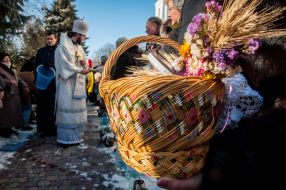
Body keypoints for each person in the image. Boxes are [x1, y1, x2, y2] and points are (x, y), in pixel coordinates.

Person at [157, 1, 286, 189]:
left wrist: (220, 169)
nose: (169, 13)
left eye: (170, 8)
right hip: (208, 142)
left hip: (255, 143)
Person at [54, 19, 89, 146]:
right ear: (78, 34)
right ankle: (65, 139)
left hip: (78, 85)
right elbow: (64, 66)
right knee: (67, 111)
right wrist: (80, 69)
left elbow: (84, 60)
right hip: (67, 86)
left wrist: (85, 65)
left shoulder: (79, 47)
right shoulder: (63, 46)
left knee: (77, 112)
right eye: (83, 36)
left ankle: (77, 137)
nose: (84, 38)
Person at [33, 30, 58, 137]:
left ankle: (53, 129)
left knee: (53, 107)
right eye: (47, 39)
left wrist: (52, 65)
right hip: (42, 84)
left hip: (54, 84)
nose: (49, 41)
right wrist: (38, 75)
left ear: (56, 39)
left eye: (51, 39)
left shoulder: (59, 51)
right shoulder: (41, 51)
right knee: (42, 107)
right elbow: (35, 66)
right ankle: (43, 130)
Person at [0, 52, 30, 137]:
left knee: (12, 114)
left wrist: (25, 85)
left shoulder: (11, 69)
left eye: (8, 59)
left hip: (13, 94)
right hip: (5, 94)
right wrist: (9, 82)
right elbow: (1, 80)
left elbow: (18, 79)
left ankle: (10, 129)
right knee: (6, 114)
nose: (7, 60)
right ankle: (4, 130)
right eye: (5, 59)